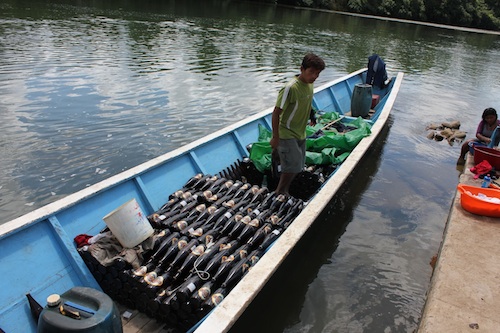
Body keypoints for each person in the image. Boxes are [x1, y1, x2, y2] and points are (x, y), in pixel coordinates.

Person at [270, 53, 325, 195]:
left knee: (299, 165)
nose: (314, 77)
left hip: (300, 132)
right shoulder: (291, 88)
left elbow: (307, 102)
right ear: (302, 69)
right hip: (286, 133)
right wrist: (275, 137)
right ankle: (280, 191)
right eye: (311, 72)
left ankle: (277, 158)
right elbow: (276, 113)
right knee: (293, 167)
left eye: (317, 74)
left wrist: (312, 115)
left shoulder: (310, 85)